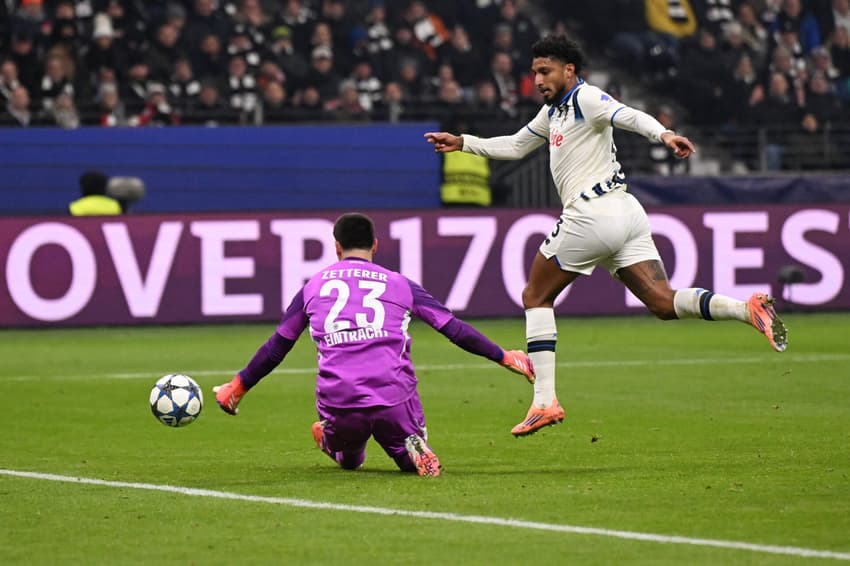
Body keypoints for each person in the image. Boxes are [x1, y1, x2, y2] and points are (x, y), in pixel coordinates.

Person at [424, 34, 789, 438]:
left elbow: (628, 115)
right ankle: (746, 309)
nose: (538, 80)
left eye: (545, 71)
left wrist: (664, 134)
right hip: (626, 214)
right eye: (534, 73)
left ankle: (545, 401)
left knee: (535, 296)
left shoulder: (585, 98)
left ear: (569, 70)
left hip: (592, 214)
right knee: (663, 303)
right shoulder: (554, 113)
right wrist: (464, 143)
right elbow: (515, 145)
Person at [213, 212, 535, 477]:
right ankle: (412, 447)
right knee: (402, 450)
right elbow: (453, 329)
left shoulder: (313, 287)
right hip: (392, 397)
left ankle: (332, 439)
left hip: (341, 401)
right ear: (376, 245)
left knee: (349, 459)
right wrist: (504, 355)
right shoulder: (399, 284)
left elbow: (276, 348)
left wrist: (237, 387)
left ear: (337, 247)